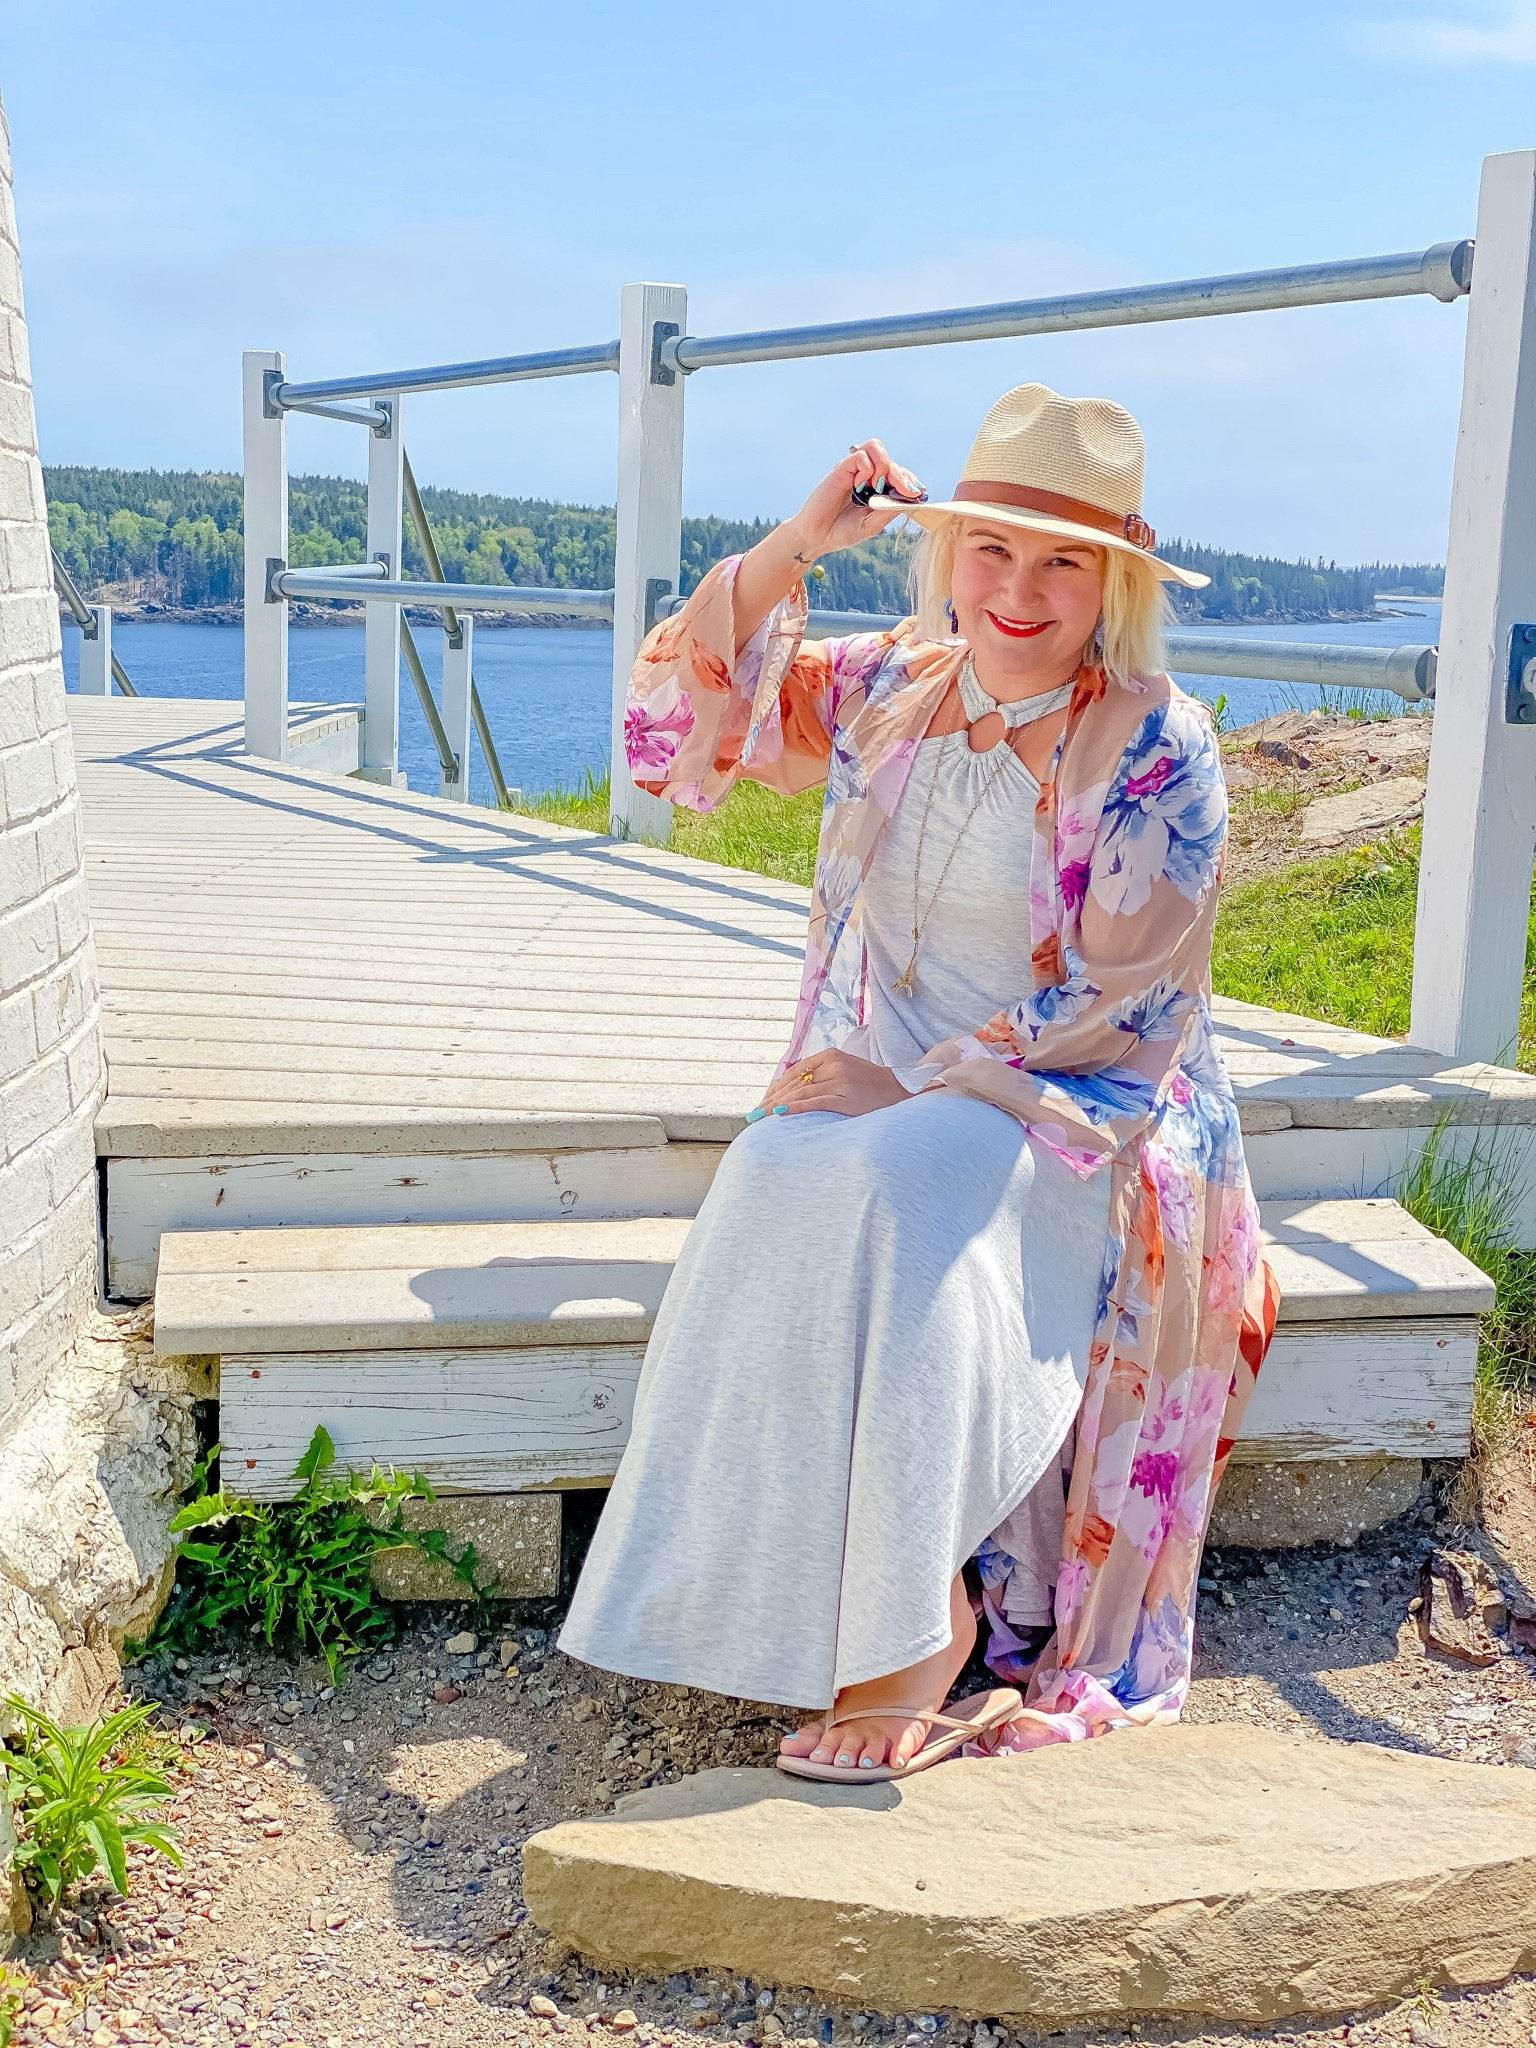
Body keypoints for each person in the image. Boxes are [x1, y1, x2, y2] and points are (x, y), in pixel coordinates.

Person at [559, 382, 1278, 1781]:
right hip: (886, 1082)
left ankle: (916, 1635)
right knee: (767, 1167)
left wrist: (914, 1087)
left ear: (1116, 580)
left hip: (1076, 1108)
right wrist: (797, 541)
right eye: (988, 549)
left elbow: (1127, 1007)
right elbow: (669, 732)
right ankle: (757, 1598)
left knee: (898, 1173)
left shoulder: (1153, 746)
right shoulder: (894, 688)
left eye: (1063, 559)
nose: (1017, 590)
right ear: (944, 554)